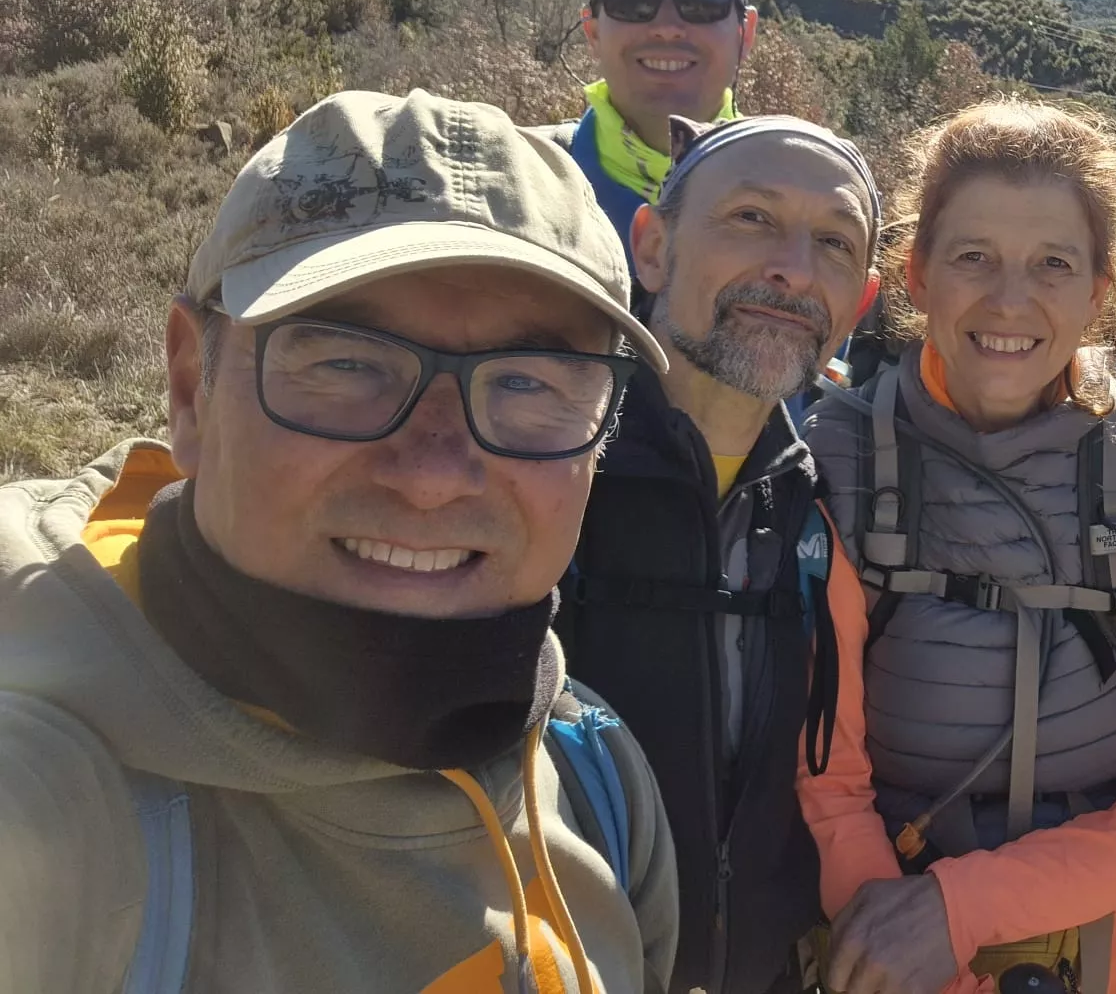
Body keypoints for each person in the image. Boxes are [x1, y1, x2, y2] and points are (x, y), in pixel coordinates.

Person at [0, 89, 682, 993]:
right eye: (347, 364)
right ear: (190, 388)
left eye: (528, 384)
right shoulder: (42, 805)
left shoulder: (593, 774)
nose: (434, 471)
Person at [800, 101, 1116, 994]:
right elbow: (829, 783)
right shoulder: (832, 461)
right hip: (891, 958)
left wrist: (956, 911)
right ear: (916, 274)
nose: (1010, 300)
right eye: (973, 258)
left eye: (1053, 264)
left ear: (1099, 286)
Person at [559, 116, 884, 994]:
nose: (793, 268)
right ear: (653, 249)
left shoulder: (837, 504)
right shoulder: (540, 474)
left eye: (833, 243)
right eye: (750, 218)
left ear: (859, 304)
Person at [553, 0, 760, 267]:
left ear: (744, 34)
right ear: (593, 30)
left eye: (701, 2)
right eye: (633, 1)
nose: (667, 26)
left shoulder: (801, 204)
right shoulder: (524, 188)